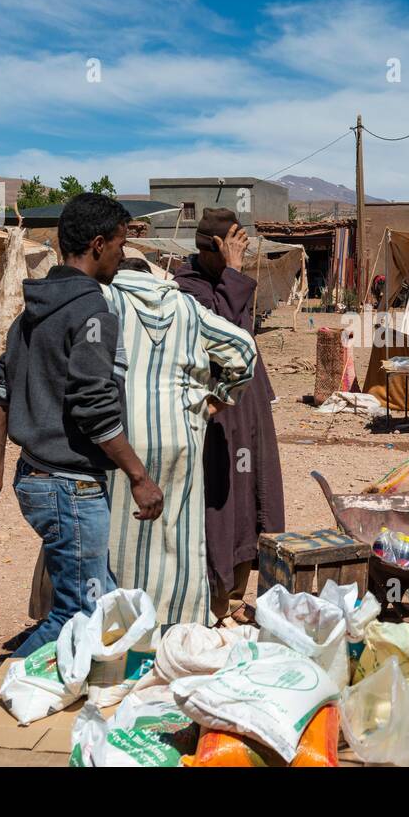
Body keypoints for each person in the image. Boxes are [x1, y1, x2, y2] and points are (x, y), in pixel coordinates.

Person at [0, 193, 164, 657]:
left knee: (99, 594)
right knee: (79, 612)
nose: (121, 255)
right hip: (69, 488)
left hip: (34, 479)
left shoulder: (31, 312)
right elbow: (93, 407)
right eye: (119, 244)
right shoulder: (94, 312)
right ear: (98, 244)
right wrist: (139, 476)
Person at [104, 257, 259, 625]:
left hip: (119, 438)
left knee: (121, 536)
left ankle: (120, 625)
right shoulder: (187, 306)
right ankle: (180, 623)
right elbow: (244, 350)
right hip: (182, 432)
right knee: (179, 533)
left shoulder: (105, 300)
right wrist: (214, 401)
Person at [174, 208, 286, 623]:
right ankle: (214, 597)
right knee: (223, 501)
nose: (241, 254)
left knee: (254, 495)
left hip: (249, 405)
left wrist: (233, 274)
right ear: (216, 248)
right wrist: (234, 271)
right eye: (235, 247)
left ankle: (237, 594)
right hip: (218, 408)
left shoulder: (221, 281)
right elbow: (226, 338)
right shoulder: (187, 289)